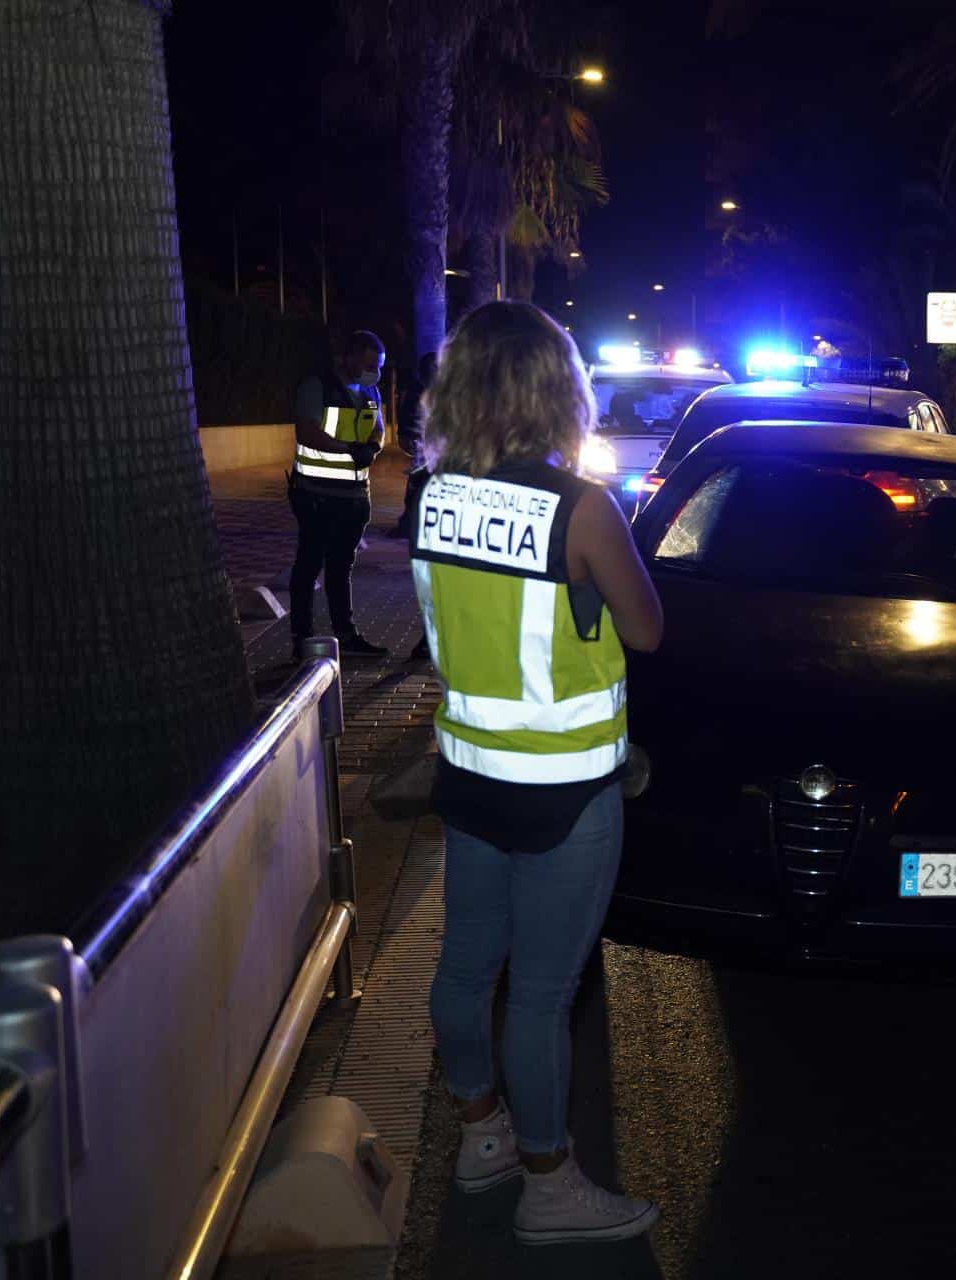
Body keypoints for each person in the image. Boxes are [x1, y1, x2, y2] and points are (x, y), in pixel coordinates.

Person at [414, 301, 664, 1244]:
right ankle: (550, 1188)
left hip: (469, 778)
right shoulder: (583, 507)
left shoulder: (433, 495)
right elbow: (646, 630)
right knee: (543, 994)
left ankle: (482, 1133)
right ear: (559, 390)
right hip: (563, 791)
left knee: (466, 965)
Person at [289, 330, 390, 659]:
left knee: (341, 567)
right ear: (347, 358)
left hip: (353, 497)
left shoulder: (370, 391)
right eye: (368, 364)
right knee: (309, 566)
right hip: (316, 495)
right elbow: (306, 431)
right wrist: (349, 449)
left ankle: (345, 636)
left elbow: (378, 427)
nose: (373, 371)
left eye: (377, 366)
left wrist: (373, 447)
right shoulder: (317, 387)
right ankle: (302, 639)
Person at [391, 350, 438, 540]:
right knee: (418, 484)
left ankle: (413, 523)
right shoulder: (420, 392)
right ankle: (410, 524)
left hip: (430, 448)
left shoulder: (436, 393)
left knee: (420, 484)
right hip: (422, 446)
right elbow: (409, 420)